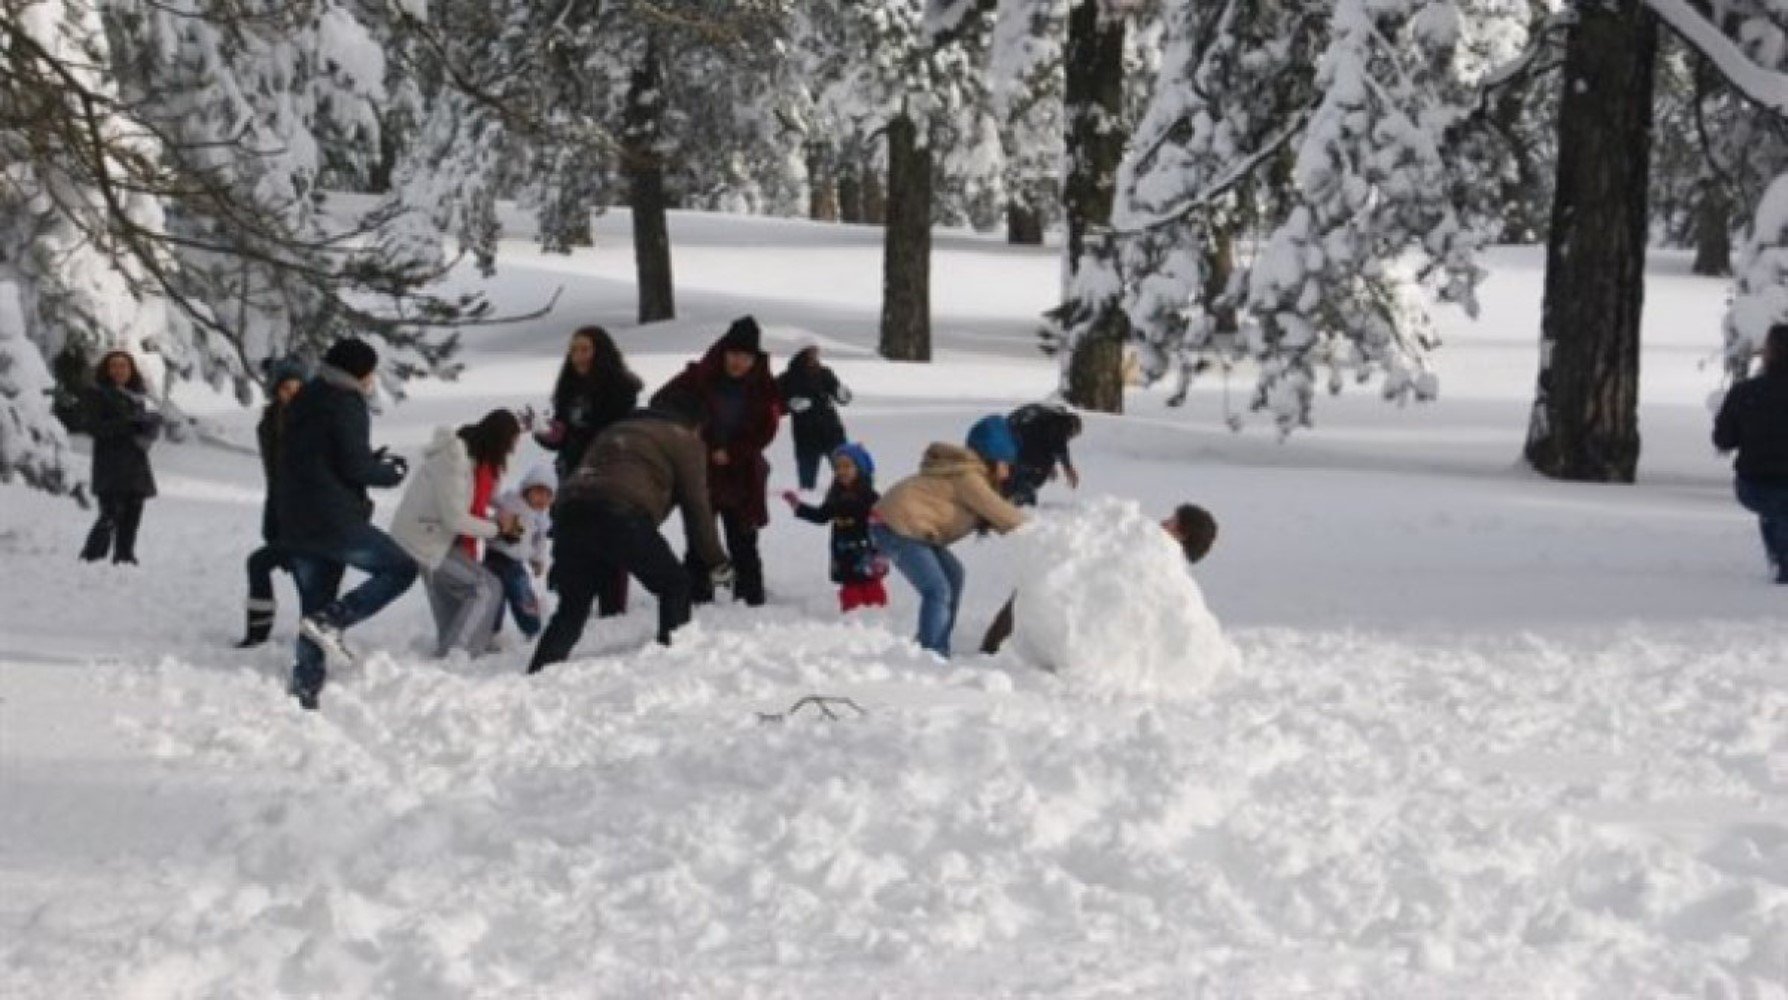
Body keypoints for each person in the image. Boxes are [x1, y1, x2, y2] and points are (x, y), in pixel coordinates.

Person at [528, 387, 734, 673]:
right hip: (619, 515)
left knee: (573, 608)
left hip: (570, 513)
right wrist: (717, 562)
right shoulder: (683, 439)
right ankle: (673, 665)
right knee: (675, 584)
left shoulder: (619, 428)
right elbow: (698, 509)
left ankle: (538, 672)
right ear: (696, 423)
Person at [278, 338, 417, 710]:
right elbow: (355, 467)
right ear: (359, 372)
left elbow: (322, 456)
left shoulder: (305, 397)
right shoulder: (346, 402)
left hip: (295, 518)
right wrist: (391, 471)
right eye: (370, 372)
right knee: (401, 568)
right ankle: (336, 620)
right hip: (334, 519)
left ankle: (306, 688)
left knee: (314, 603)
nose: (372, 380)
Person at [872, 415, 1028, 657]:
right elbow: (1000, 512)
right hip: (896, 526)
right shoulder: (968, 478)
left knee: (953, 575)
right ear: (993, 459)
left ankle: (931, 640)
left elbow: (997, 513)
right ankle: (931, 652)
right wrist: (1042, 532)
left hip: (913, 529)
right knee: (938, 589)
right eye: (1006, 464)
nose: (1007, 473)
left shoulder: (970, 475)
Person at [980, 503, 1219, 654]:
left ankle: (994, 647)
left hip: (1085, 638)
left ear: (1181, 535)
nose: (1163, 522)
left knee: (1040, 589)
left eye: (1172, 522)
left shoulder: (1164, 579)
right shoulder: (1151, 552)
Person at [660, 315, 782, 607]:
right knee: (700, 534)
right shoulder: (700, 375)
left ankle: (750, 596)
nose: (738, 362)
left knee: (743, 537)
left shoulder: (764, 386)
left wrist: (735, 451)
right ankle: (697, 594)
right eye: (734, 354)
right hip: (700, 470)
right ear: (724, 351)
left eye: (745, 356)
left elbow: (767, 428)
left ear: (754, 358)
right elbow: (663, 401)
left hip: (742, 473)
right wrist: (696, 437)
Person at [391, 409, 525, 658]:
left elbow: (480, 496)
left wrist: (504, 512)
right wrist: (497, 528)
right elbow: (455, 519)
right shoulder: (456, 460)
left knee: (455, 608)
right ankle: (457, 653)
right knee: (487, 587)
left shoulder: (475, 460)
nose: (511, 452)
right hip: (427, 540)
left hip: (441, 540)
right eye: (509, 445)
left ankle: (453, 650)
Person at [535, 325, 642, 614]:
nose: (578, 357)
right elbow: (562, 436)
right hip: (572, 474)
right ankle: (572, 601)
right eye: (573, 350)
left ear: (601, 352)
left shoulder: (620, 389)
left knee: (609, 538)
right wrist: (544, 432)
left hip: (609, 474)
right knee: (572, 538)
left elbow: (615, 433)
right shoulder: (568, 388)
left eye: (585, 350)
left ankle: (612, 606)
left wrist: (572, 436)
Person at [237, 359, 307, 646]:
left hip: (314, 519)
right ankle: (257, 633)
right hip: (283, 514)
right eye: (285, 388)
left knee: (309, 578)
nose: (291, 394)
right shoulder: (269, 424)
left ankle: (317, 634)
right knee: (259, 564)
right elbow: (275, 478)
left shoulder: (316, 422)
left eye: (297, 388)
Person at [1714, 323, 1788, 583]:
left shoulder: (1745, 393)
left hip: (1754, 485)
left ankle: (1780, 561)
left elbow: (1723, 440)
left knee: (1775, 510)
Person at [780, 442, 887, 613]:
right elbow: (822, 516)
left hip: (868, 550)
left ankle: (877, 612)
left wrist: (878, 521)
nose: (842, 471)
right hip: (843, 550)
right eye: (838, 467)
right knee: (850, 585)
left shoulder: (870, 495)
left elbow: (884, 519)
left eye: (847, 466)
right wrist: (798, 506)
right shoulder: (835, 495)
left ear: (860, 469)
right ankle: (852, 615)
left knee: (871, 582)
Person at [79, 350, 161, 565]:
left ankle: (125, 556)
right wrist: (129, 424)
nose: (119, 370)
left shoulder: (139, 396)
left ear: (131, 370)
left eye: (124, 366)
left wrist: (148, 427)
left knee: (132, 516)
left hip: (136, 467)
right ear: (106, 369)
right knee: (110, 515)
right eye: (114, 366)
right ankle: (92, 556)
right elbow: (94, 426)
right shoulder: (97, 394)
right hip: (110, 467)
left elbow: (148, 427)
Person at [485, 463, 556, 641]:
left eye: (548, 495)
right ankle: (490, 633)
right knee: (494, 597)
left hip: (515, 565)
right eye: (538, 492)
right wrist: (494, 477)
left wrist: (537, 560)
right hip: (494, 559)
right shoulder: (512, 501)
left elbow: (538, 542)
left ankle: (533, 631)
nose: (542, 499)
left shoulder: (541, 519)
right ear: (526, 489)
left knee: (524, 596)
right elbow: (491, 498)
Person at [776, 339, 852, 491]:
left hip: (832, 430)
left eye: (816, 353)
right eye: (810, 353)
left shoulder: (825, 373)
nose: (814, 357)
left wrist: (843, 395)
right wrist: (791, 405)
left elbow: (838, 392)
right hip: (806, 435)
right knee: (807, 483)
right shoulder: (787, 378)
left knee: (847, 473)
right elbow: (773, 404)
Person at [1005, 402, 1083, 507]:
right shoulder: (1061, 421)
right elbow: (1058, 444)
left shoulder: (1048, 417)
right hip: (1021, 441)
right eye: (1071, 435)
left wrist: (1049, 464)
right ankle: (1022, 495)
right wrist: (1068, 468)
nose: (1069, 438)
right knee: (1034, 470)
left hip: (1011, 436)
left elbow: (1047, 441)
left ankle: (1016, 493)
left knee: (1027, 469)